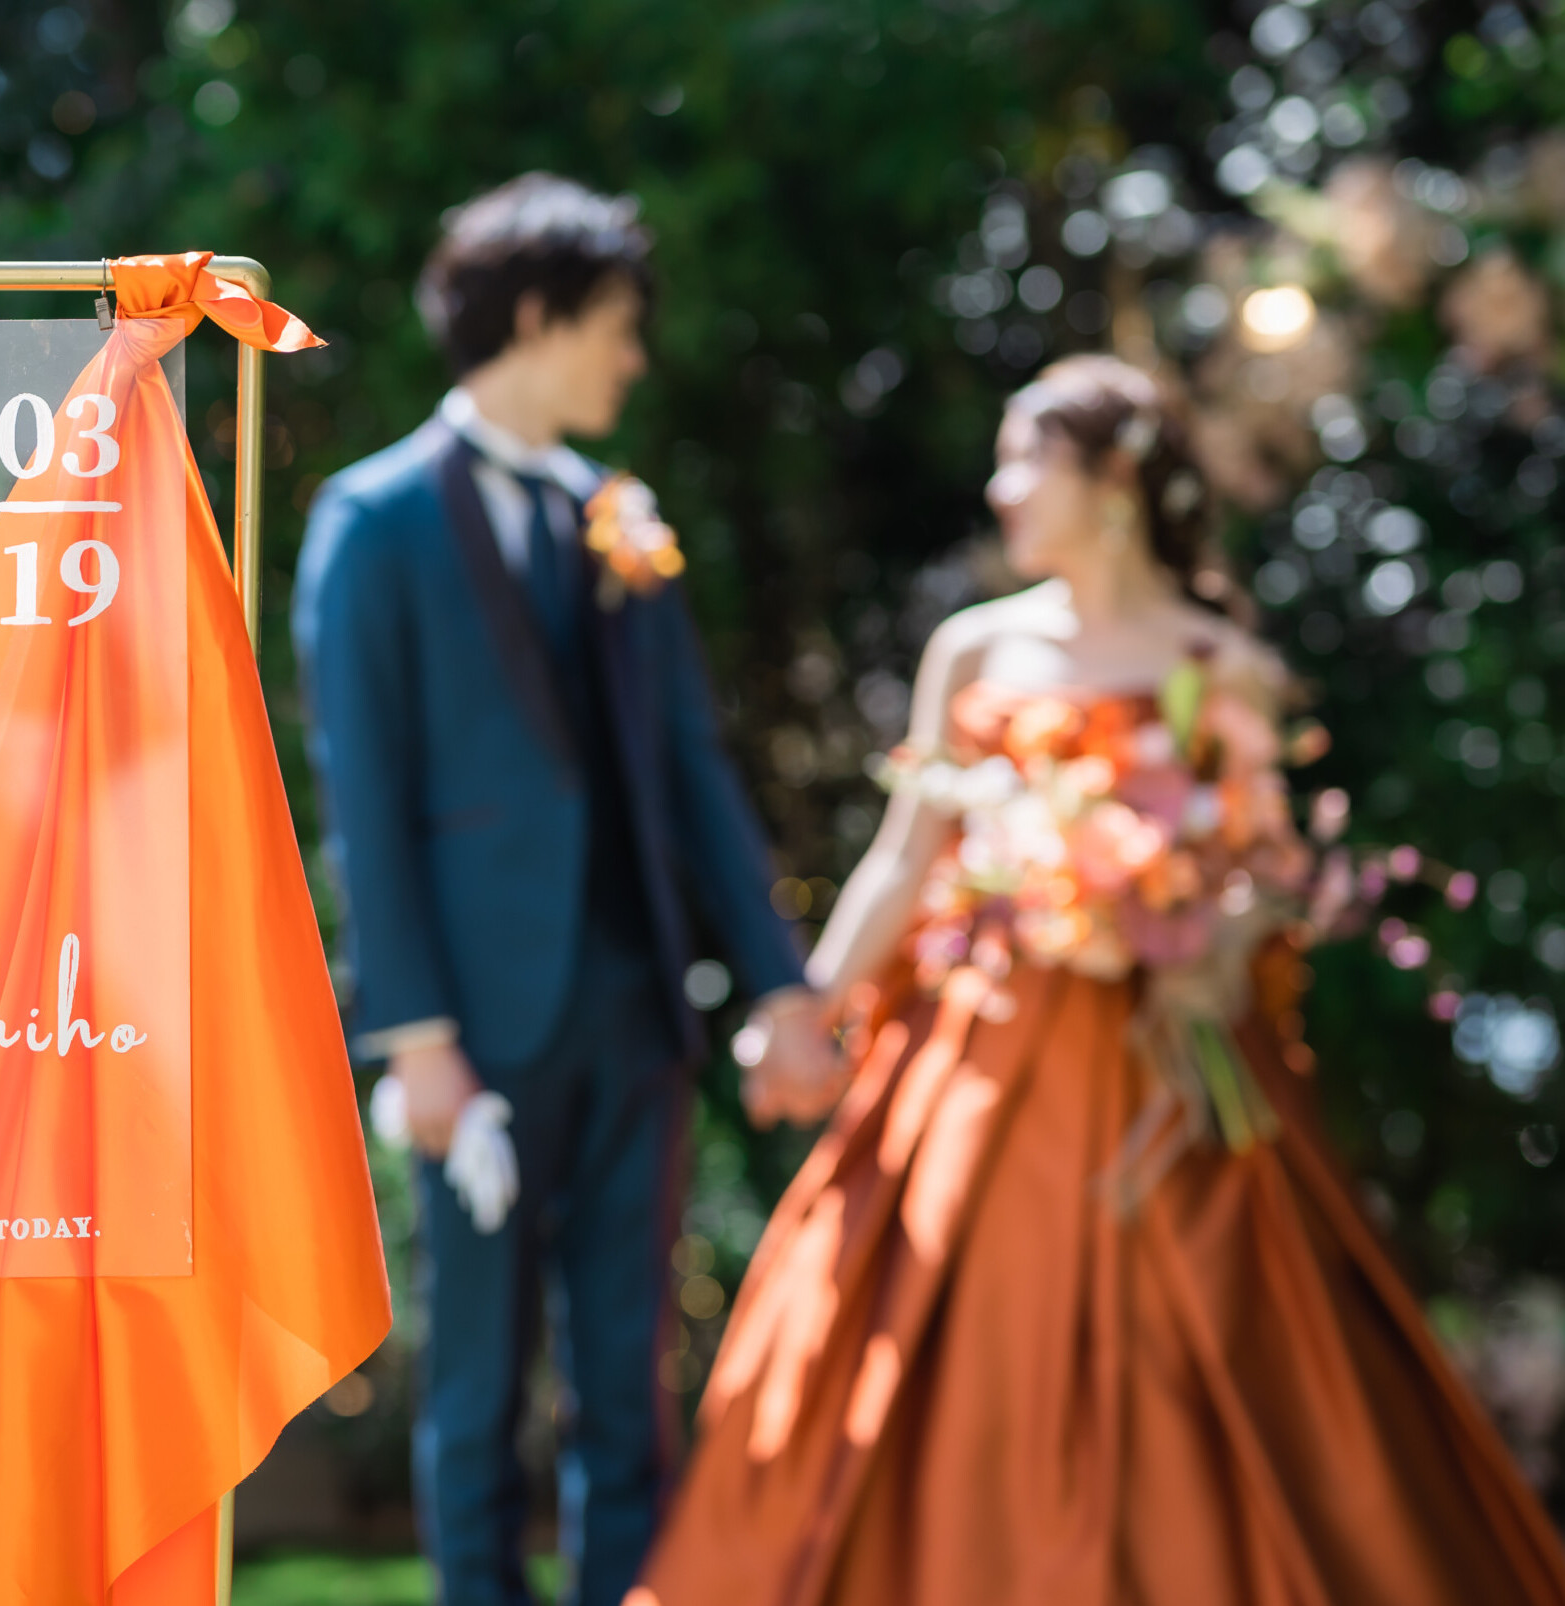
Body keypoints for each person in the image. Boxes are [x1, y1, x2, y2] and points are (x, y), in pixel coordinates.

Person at [636, 355, 1565, 1605]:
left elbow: (1268, 870)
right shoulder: (973, 649)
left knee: (1222, 1339)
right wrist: (810, 1007)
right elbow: (906, 854)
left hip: (1172, 1061)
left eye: (1027, 460)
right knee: (947, 1322)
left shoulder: (1217, 662)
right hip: (984, 1053)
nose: (1001, 488)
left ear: (1114, 481)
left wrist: (1193, 936)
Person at [291, 173, 834, 1606]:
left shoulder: (617, 515)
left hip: (638, 1011)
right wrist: (417, 1041)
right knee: (478, 1384)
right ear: (537, 316)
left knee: (628, 1379)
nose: (634, 360)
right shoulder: (374, 519)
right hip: (475, 1028)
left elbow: (692, 768)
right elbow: (366, 799)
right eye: (616, 326)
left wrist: (779, 981)